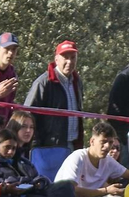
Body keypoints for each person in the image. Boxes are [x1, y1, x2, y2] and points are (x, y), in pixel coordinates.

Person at [22, 39, 84, 179]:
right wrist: (35, 145)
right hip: (48, 148)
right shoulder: (43, 83)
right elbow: (27, 115)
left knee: (68, 187)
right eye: (65, 57)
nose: (69, 61)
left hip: (71, 145)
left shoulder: (76, 81)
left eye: (73, 57)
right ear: (56, 59)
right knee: (49, 186)